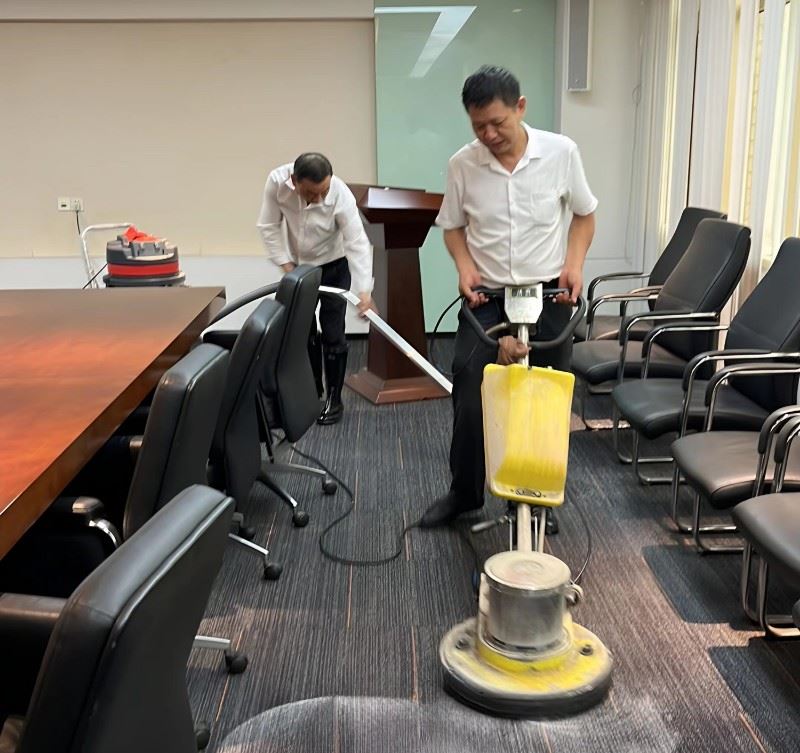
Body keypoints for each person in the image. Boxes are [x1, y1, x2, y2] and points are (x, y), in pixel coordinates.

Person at [420, 65, 597, 528]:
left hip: (550, 293)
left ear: (520, 107)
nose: (489, 135)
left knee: (545, 396)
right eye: (478, 126)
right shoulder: (463, 164)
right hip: (488, 297)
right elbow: (452, 227)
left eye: (497, 123)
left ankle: (536, 499)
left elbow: (584, 215)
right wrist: (464, 267)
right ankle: (464, 493)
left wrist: (575, 263)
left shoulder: (561, 152)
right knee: (470, 386)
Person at [257, 152, 374, 425]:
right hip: (299, 268)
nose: (319, 199)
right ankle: (311, 391)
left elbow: (357, 242)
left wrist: (364, 289)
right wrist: (285, 264)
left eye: (324, 191)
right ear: (294, 181)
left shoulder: (340, 194)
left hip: (335, 265)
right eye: (311, 193)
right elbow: (268, 226)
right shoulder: (277, 182)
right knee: (301, 330)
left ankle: (334, 399)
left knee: (332, 331)